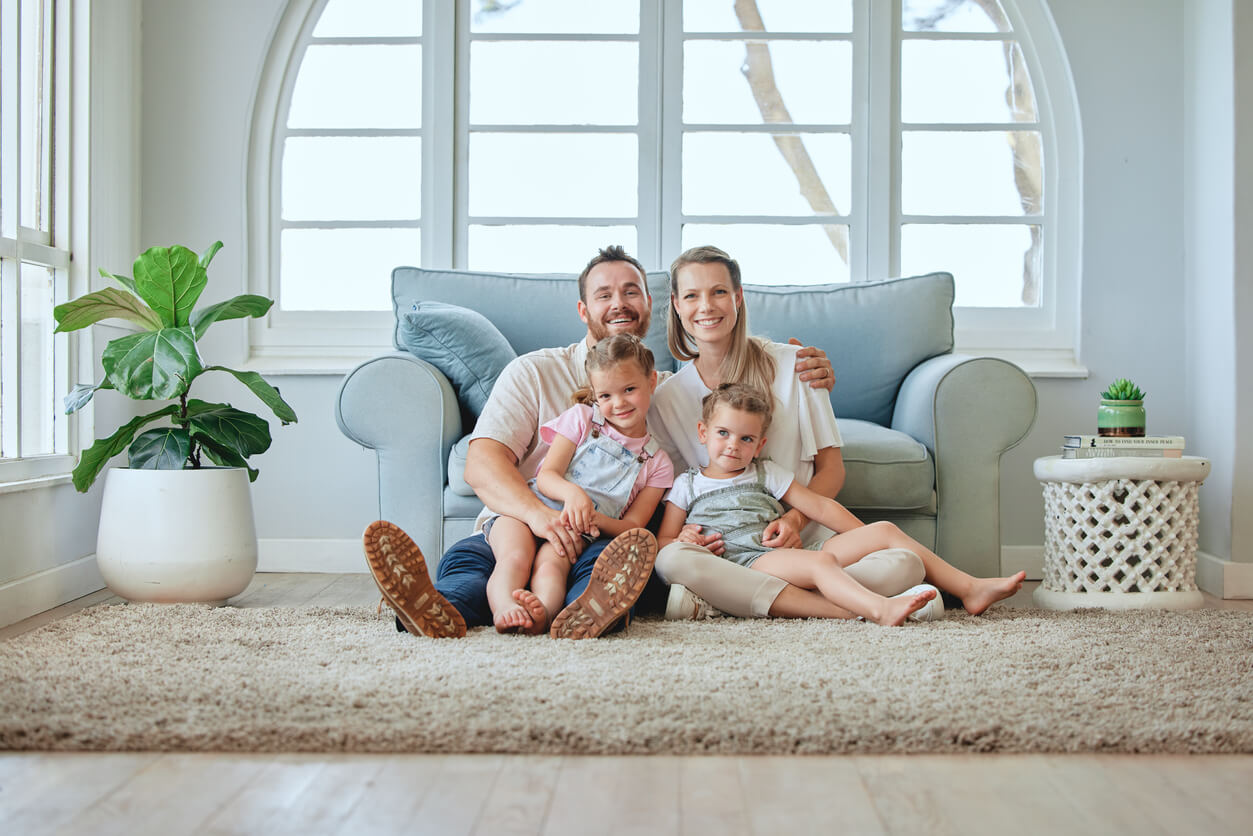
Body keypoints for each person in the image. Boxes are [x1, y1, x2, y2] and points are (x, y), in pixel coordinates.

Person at [362, 245, 837, 639]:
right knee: (475, 570)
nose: (619, 303)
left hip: (598, 538)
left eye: (631, 291)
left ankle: (569, 616)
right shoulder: (535, 371)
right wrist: (544, 517)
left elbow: (722, 435)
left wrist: (792, 361)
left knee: (599, 580)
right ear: (583, 310)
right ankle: (431, 609)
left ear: (651, 307)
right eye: (604, 294)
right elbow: (481, 465)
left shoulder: (665, 391)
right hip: (522, 518)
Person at [649, 245, 932, 621]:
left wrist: (793, 521)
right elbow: (677, 497)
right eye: (691, 295)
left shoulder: (798, 365)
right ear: (676, 306)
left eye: (719, 291)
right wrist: (686, 539)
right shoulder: (666, 398)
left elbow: (832, 470)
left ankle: (722, 601)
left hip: (805, 546)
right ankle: (851, 606)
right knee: (671, 559)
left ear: (738, 297)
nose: (706, 306)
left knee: (904, 564)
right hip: (729, 553)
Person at [660, 384, 1025, 624]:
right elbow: (663, 543)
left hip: (769, 552)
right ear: (703, 433)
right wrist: (683, 538)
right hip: (741, 563)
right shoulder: (686, 484)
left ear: (759, 444)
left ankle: (968, 587)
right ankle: (875, 609)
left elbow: (821, 508)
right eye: (723, 433)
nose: (733, 446)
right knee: (820, 562)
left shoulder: (765, 472)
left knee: (883, 532)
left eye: (746, 438)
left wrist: (864, 544)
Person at [484, 334, 673, 635]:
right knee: (514, 557)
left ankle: (542, 614)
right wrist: (574, 495)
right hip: (528, 512)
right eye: (606, 396)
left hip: (575, 531)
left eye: (629, 389)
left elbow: (634, 524)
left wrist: (593, 519)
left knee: (552, 567)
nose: (619, 403)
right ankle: (505, 607)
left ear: (651, 382)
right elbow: (547, 476)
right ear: (595, 396)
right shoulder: (582, 419)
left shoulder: (657, 461)